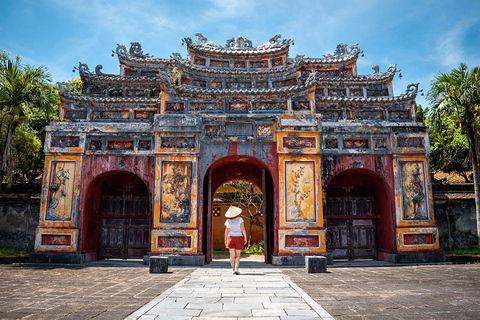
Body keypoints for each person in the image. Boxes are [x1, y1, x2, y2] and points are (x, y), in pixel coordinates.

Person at [224, 205, 247, 275]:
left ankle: (233, 269)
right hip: (239, 237)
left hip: (230, 237)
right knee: (237, 255)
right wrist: (245, 237)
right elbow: (243, 229)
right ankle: (237, 268)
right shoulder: (240, 219)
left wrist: (225, 239)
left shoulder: (228, 221)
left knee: (232, 256)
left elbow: (226, 231)